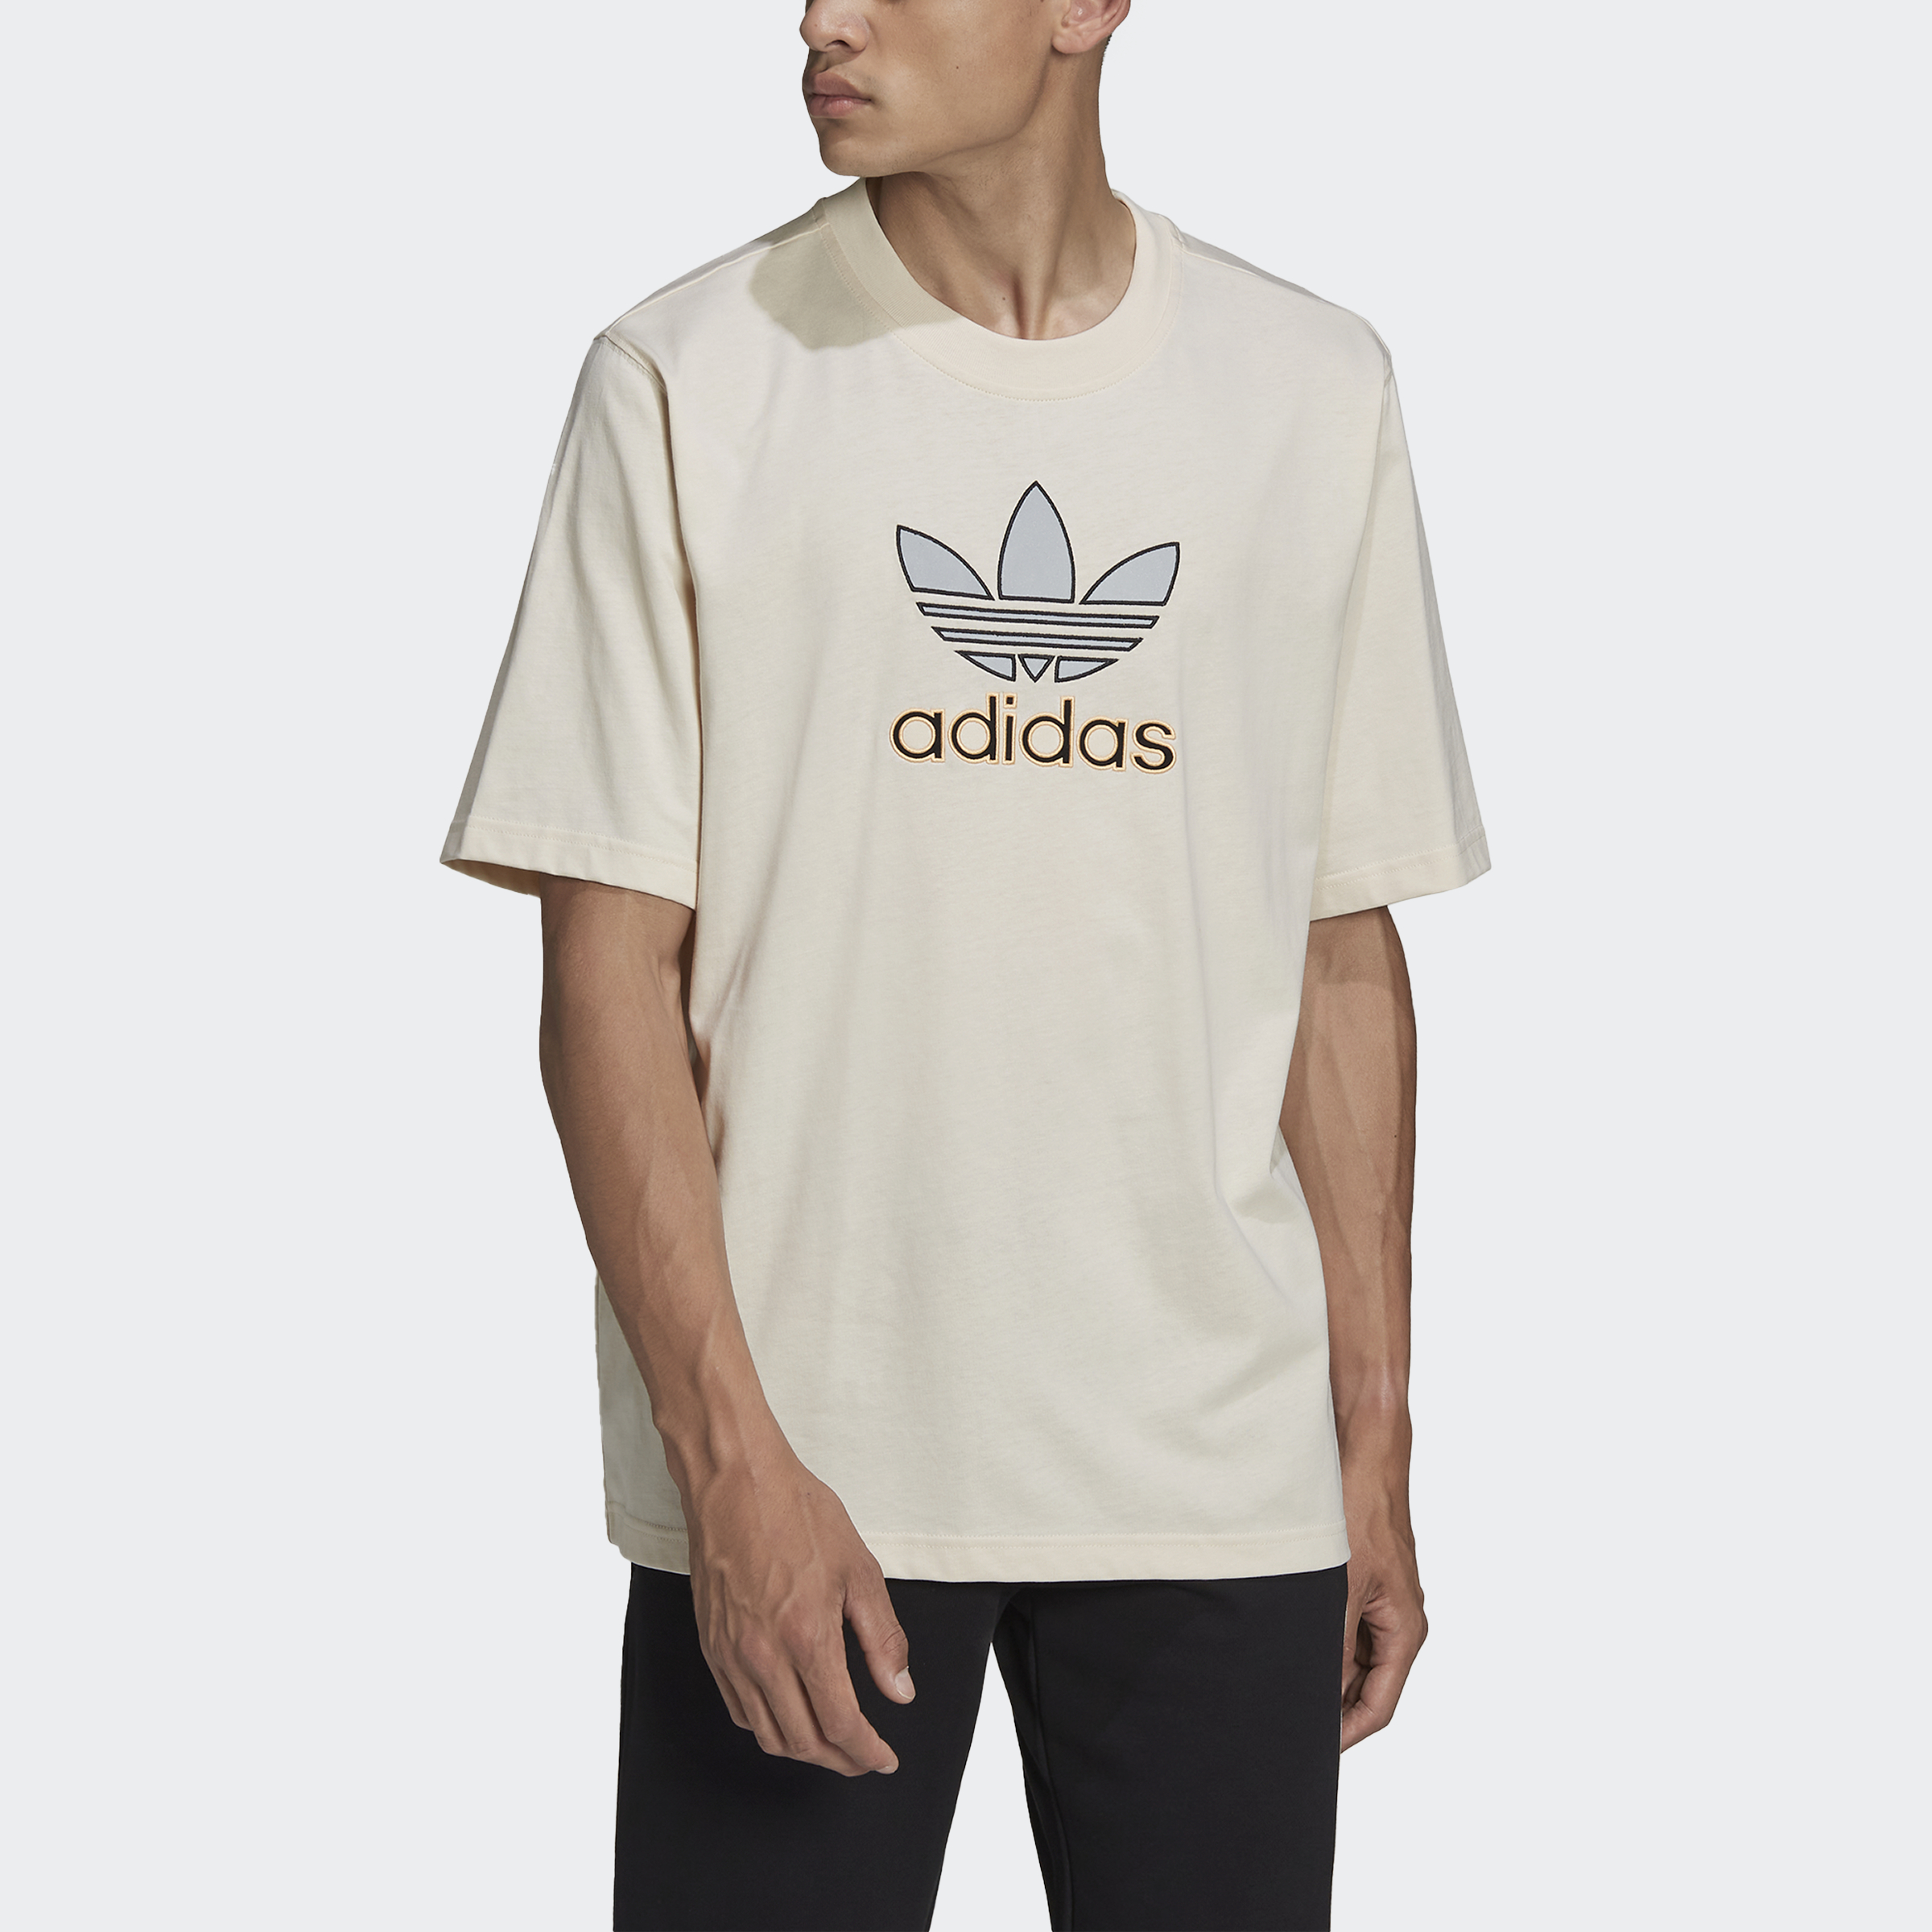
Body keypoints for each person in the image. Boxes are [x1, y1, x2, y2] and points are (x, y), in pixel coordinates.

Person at [440, 2, 1488, 1926]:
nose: (822, 19)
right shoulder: (687, 377)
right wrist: (728, 1468)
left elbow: (1339, 943)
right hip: (810, 1475)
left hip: (1212, 1480)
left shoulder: (1309, 388)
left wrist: (1371, 1441)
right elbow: (605, 977)